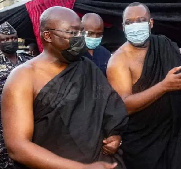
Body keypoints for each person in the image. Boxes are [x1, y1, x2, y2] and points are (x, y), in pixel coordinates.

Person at [1, 6, 128, 169]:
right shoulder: (23, 78)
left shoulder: (86, 67)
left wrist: (115, 135)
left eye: (81, 32)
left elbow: (110, 108)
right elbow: (17, 147)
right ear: (48, 35)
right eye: (72, 33)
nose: (80, 38)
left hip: (101, 161)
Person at [107, 2, 181, 169]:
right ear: (123, 27)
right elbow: (123, 106)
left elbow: (180, 91)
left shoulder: (165, 45)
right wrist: (164, 86)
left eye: (141, 20)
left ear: (151, 23)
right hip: (142, 144)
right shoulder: (119, 60)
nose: (135, 26)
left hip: (173, 139)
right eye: (129, 22)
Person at [0, 21, 32, 169]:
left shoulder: (28, 60)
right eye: (5, 39)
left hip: (28, 118)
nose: (10, 41)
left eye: (13, 38)